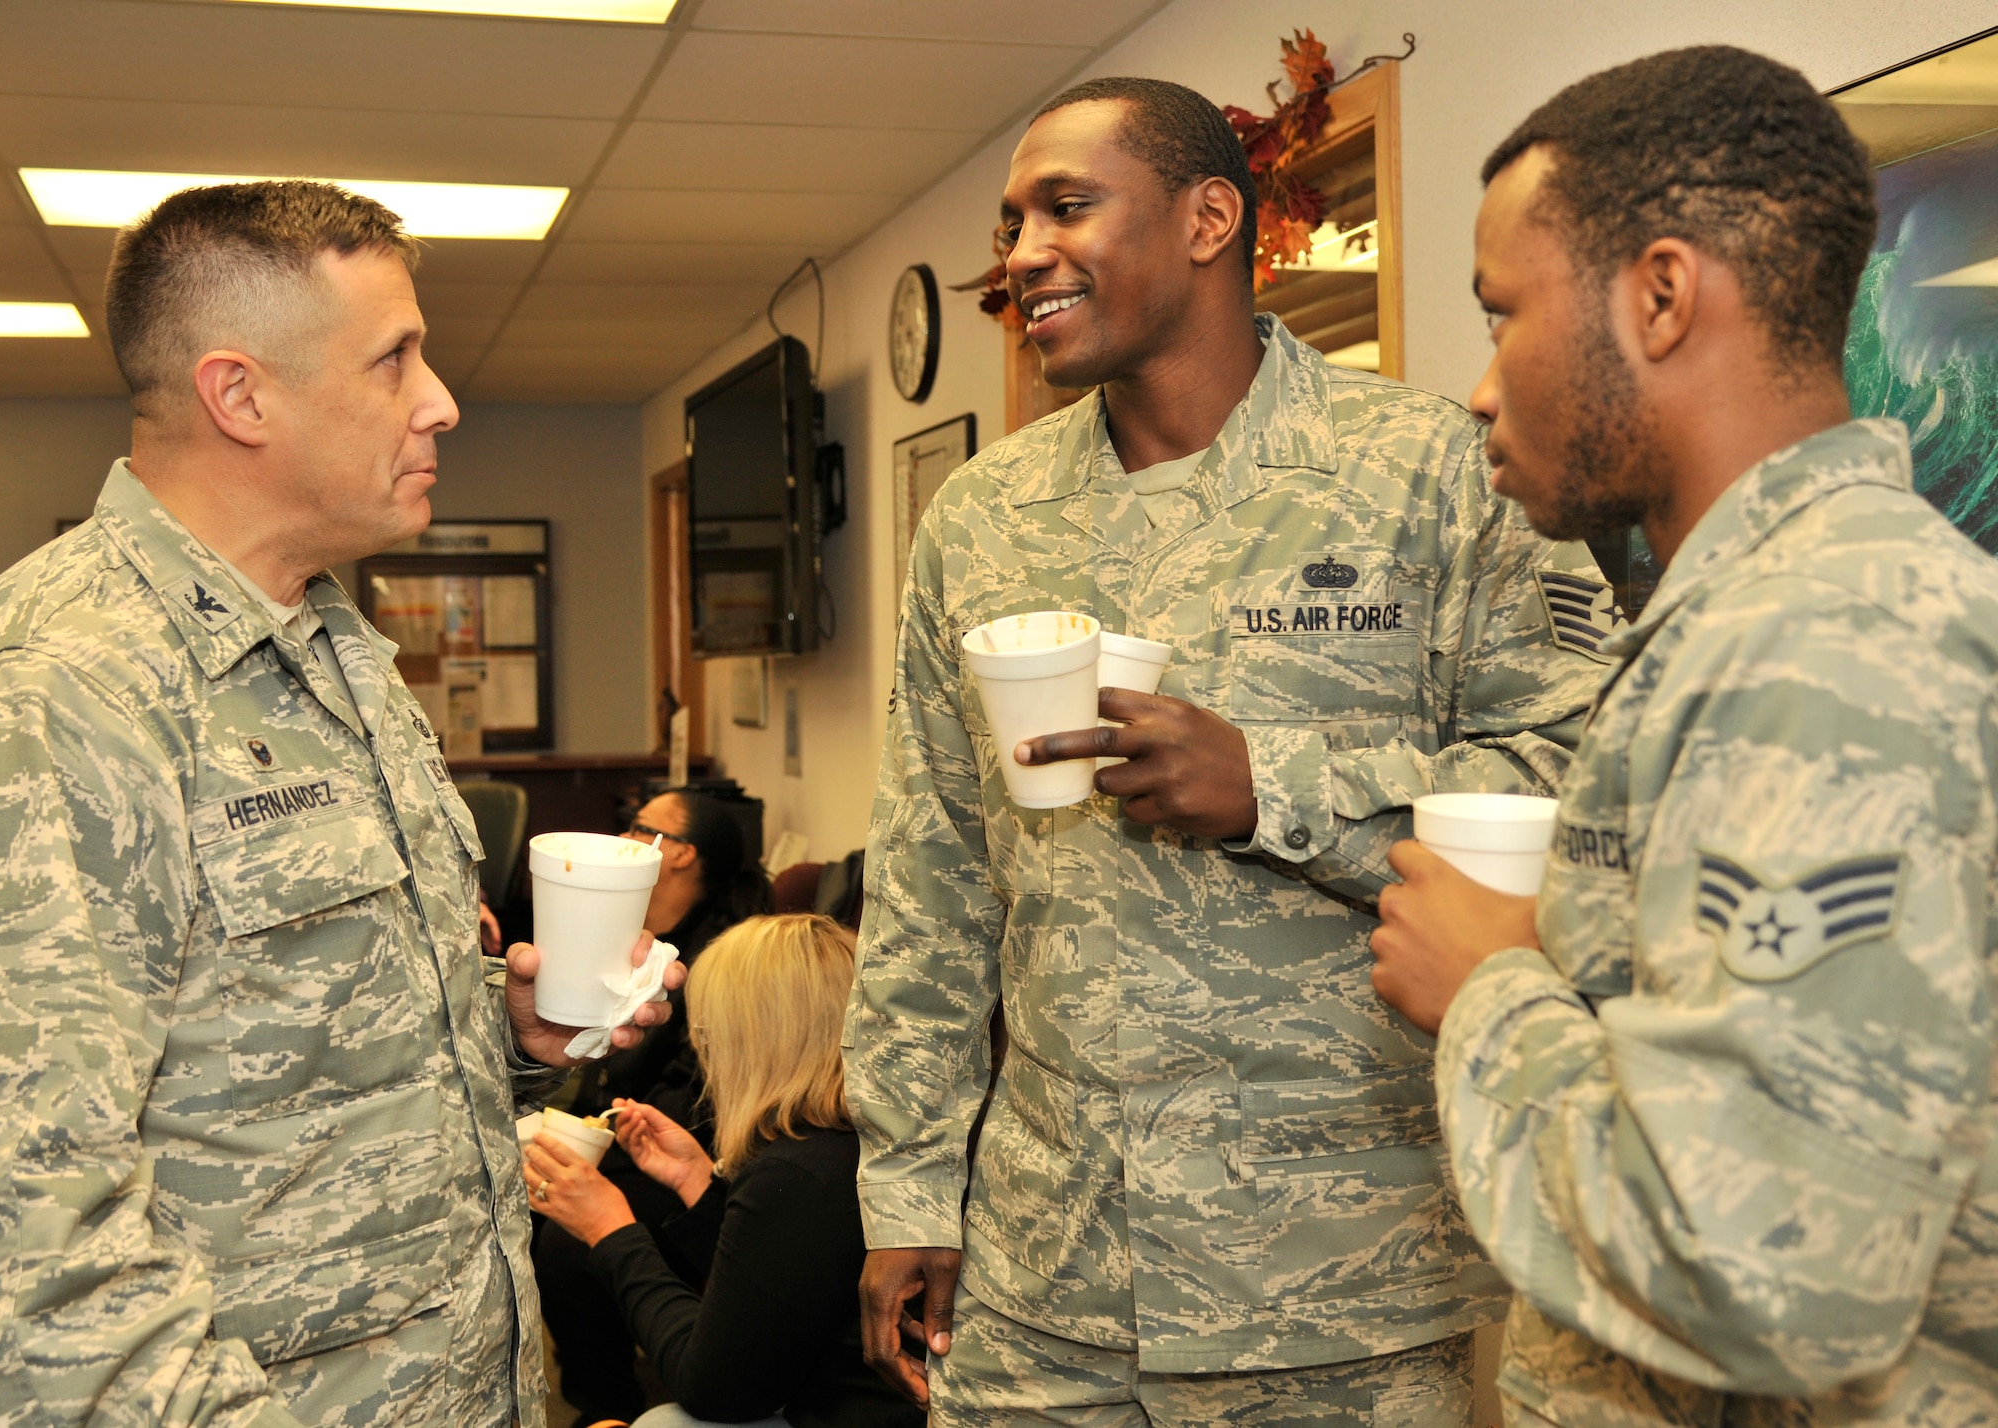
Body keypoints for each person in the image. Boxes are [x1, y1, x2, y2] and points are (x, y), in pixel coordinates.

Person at [845, 77, 1617, 1426]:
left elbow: (1574, 795)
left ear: (1210, 218)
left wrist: (1276, 791)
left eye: (1065, 207)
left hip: (1339, 1284)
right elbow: (929, 877)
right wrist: (906, 1185)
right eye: (1013, 221)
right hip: (1045, 1285)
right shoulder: (981, 521)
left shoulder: (1431, 475)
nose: (1021, 253)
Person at [1369, 46, 1998, 1425]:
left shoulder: (1832, 646)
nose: (1480, 390)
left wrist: (1489, 990)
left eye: (1502, 315)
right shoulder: (1749, 615)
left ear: (1660, 296)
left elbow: (1778, 1269)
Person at [0, 181, 674, 1428]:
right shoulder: (64, 690)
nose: (441, 401)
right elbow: (35, 1231)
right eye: (395, 358)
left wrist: (505, 1030)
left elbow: (272, 1030)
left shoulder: (334, 644)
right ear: (239, 395)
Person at [526, 914, 923, 1428]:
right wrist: (699, 1185)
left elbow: (714, 1389)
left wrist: (611, 1232)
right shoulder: (851, 1147)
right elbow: (779, 1291)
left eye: (710, 1031)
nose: (706, 1050)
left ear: (755, 1039)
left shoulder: (795, 1176)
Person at [538, 789, 774, 1428]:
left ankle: (604, 1411)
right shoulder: (634, 933)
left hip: (693, 1155)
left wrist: (601, 1146)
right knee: (543, 1201)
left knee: (565, 1239)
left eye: (641, 828)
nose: (625, 838)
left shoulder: (721, 954)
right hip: (629, 1137)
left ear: (679, 854)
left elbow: (702, 1101)